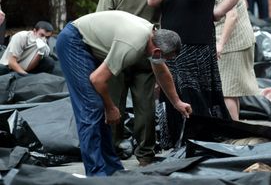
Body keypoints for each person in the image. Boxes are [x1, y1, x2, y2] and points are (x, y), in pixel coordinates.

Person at [56, 10, 192, 176]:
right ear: (157, 51)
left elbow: (162, 72)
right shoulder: (133, 45)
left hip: (86, 41)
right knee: (92, 107)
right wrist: (110, 107)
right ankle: (96, 174)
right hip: (74, 41)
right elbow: (97, 80)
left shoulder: (152, 35)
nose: (164, 62)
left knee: (99, 109)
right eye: (166, 58)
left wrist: (177, 102)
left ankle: (112, 168)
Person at [147, 0, 242, 146]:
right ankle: (175, 142)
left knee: (198, 96)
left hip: (199, 46)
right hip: (172, 47)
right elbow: (152, 0)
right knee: (174, 94)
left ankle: (203, 141)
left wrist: (217, 13)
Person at [96, 0, 160, 166]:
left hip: (117, 55)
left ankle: (112, 153)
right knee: (145, 106)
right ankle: (145, 155)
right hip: (147, 54)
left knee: (113, 105)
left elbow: (100, 23)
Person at [196, 0, 260, 120]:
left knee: (227, 91)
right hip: (238, 41)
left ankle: (233, 133)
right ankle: (236, 126)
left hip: (232, 44)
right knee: (232, 90)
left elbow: (232, 16)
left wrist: (220, 44)